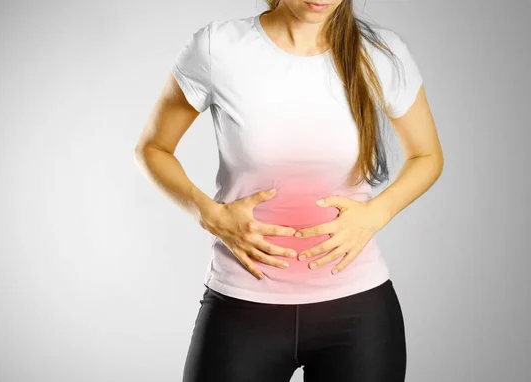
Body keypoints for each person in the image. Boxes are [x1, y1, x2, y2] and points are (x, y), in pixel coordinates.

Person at [135, 0, 442, 381]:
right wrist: (211, 215)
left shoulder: (381, 52)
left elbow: (428, 155)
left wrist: (375, 214)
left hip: (358, 313)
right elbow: (152, 148)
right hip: (242, 306)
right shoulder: (219, 47)